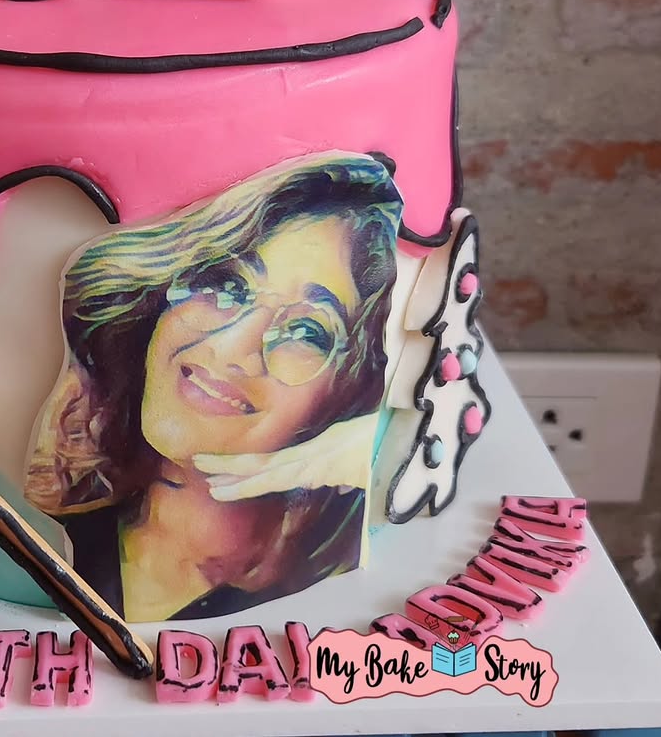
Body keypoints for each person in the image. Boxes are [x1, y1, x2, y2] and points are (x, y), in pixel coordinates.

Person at [24, 153, 403, 622]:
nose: (231, 348)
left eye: (307, 331)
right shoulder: (54, 540)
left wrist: (374, 448)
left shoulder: (331, 590)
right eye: (228, 285)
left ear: (348, 389)